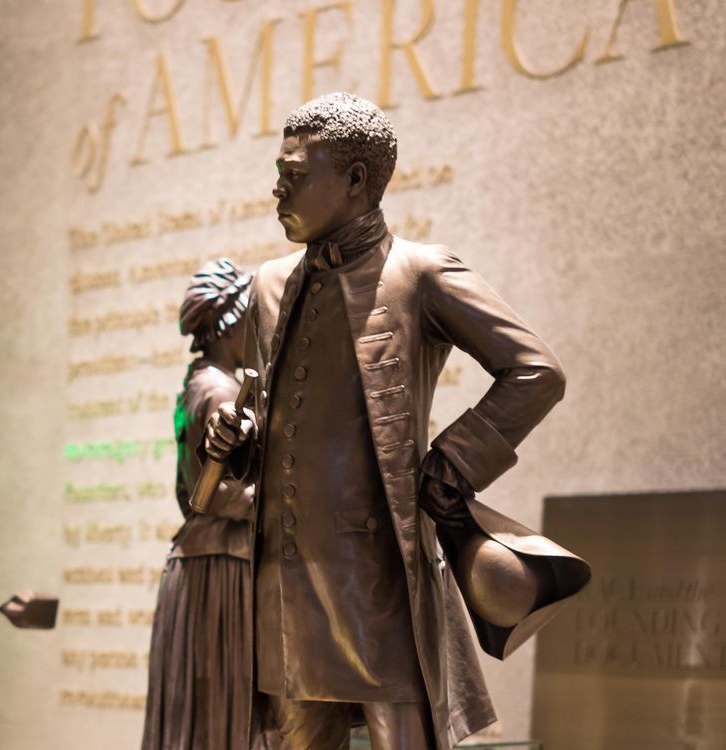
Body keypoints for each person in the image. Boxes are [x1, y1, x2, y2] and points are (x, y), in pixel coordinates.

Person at [204, 93, 588, 750]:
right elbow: (286, 421)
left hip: (379, 580)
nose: (277, 187)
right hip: (285, 584)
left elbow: (535, 370)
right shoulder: (268, 286)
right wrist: (241, 443)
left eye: (295, 173)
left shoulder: (419, 272)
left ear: (355, 181)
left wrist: (454, 463)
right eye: (280, 169)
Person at [142, 259, 276, 750]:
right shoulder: (220, 389)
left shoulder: (202, 380)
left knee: (205, 709)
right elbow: (215, 492)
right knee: (226, 704)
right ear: (229, 325)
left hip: (206, 561)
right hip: (221, 562)